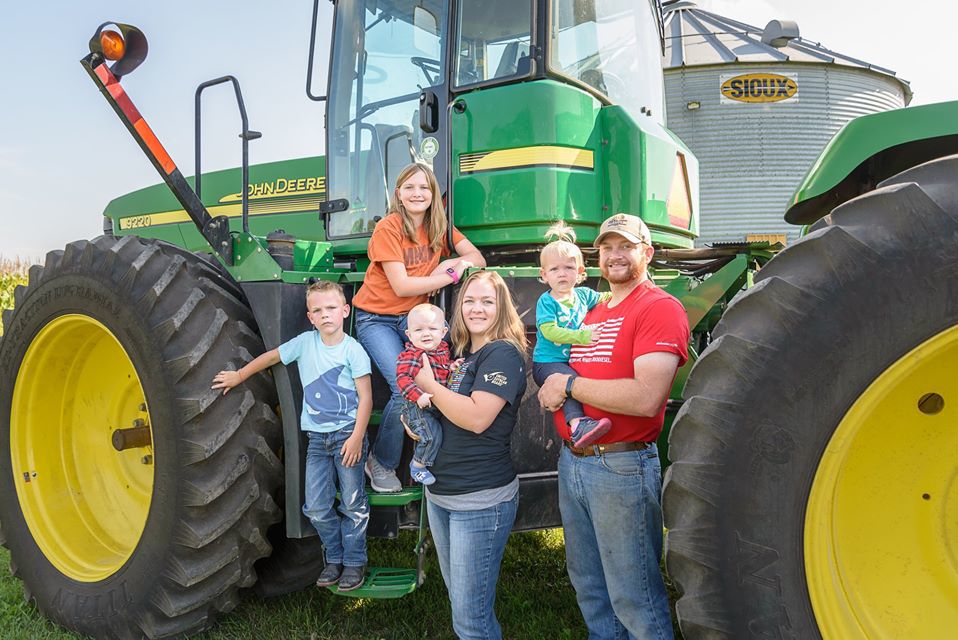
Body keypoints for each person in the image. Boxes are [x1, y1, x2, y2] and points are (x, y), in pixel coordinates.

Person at [537, 213, 690, 640]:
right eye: (607, 247)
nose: (616, 255)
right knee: (590, 588)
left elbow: (646, 398)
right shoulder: (594, 309)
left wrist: (566, 383)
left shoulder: (658, 308)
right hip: (575, 463)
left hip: (621, 468)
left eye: (626, 246)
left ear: (648, 252)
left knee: (633, 595)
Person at [212, 280, 372, 592]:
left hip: (346, 437)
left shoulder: (354, 350)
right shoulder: (304, 343)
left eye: (330, 308)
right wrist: (240, 375)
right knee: (315, 507)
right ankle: (334, 557)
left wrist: (356, 437)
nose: (325, 315)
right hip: (317, 441)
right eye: (317, 310)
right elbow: (271, 357)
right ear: (310, 317)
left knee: (353, 504)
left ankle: (354, 561)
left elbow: (366, 398)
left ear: (344, 310)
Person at [407, 271, 527, 640]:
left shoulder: (502, 353)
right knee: (460, 602)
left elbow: (477, 418)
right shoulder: (459, 353)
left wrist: (430, 388)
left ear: (501, 307)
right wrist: (413, 423)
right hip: (441, 494)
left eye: (487, 301)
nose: (477, 308)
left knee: (471, 617)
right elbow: (436, 409)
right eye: (470, 301)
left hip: (479, 500)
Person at [352, 162, 485, 493]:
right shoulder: (389, 227)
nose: (417, 194)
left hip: (413, 321)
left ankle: (428, 455)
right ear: (399, 194)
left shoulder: (439, 226)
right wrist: (450, 275)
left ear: (434, 195)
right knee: (404, 386)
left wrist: (455, 260)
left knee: (443, 380)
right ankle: (381, 463)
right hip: (377, 319)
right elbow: (401, 286)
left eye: (424, 188)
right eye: (409, 187)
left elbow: (477, 258)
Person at [533, 221, 612, 447]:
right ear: (544, 274)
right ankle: (578, 426)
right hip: (546, 363)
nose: (562, 274)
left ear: (580, 272)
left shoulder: (584, 295)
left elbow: (608, 297)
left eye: (568, 268)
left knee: (575, 380)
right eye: (554, 269)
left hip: (567, 361)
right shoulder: (547, 301)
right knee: (569, 382)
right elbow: (549, 332)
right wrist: (582, 337)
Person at [395, 303, 453, 485]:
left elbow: (442, 371)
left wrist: (452, 367)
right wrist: (418, 395)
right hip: (418, 407)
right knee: (430, 436)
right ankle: (418, 465)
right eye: (419, 330)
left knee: (439, 433)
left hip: (435, 404)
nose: (426, 333)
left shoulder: (442, 349)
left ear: (443, 331)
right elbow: (402, 378)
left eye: (432, 328)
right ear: (409, 335)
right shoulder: (412, 354)